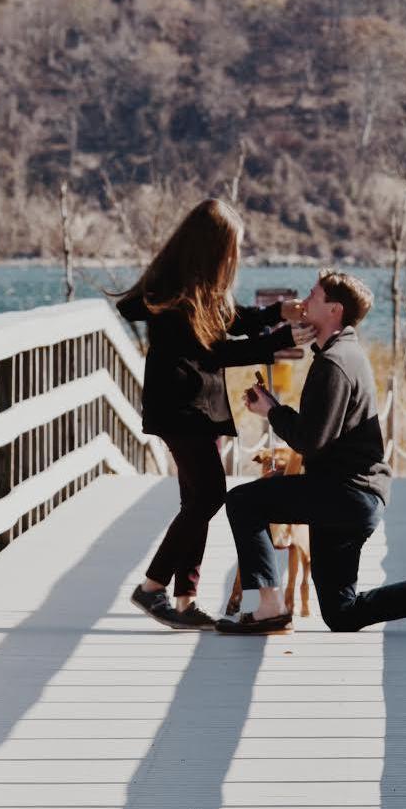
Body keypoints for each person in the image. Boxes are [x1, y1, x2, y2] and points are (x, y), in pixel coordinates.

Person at [218, 269, 406, 636]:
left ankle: (269, 608)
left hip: (345, 494)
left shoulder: (334, 364)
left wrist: (271, 412)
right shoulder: (345, 353)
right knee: (341, 613)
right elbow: (322, 436)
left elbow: (312, 441)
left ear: (334, 310)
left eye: (314, 296)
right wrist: (275, 407)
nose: (305, 302)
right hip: (353, 496)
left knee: (243, 503)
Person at [114, 199, 309, 630]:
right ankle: (151, 588)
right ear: (213, 247)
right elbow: (219, 348)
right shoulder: (176, 294)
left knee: (196, 501)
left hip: (201, 408)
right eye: (233, 247)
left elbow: (229, 321)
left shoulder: (197, 288)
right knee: (209, 496)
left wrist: (275, 314)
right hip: (181, 409)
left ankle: (185, 600)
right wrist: (277, 337)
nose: (236, 256)